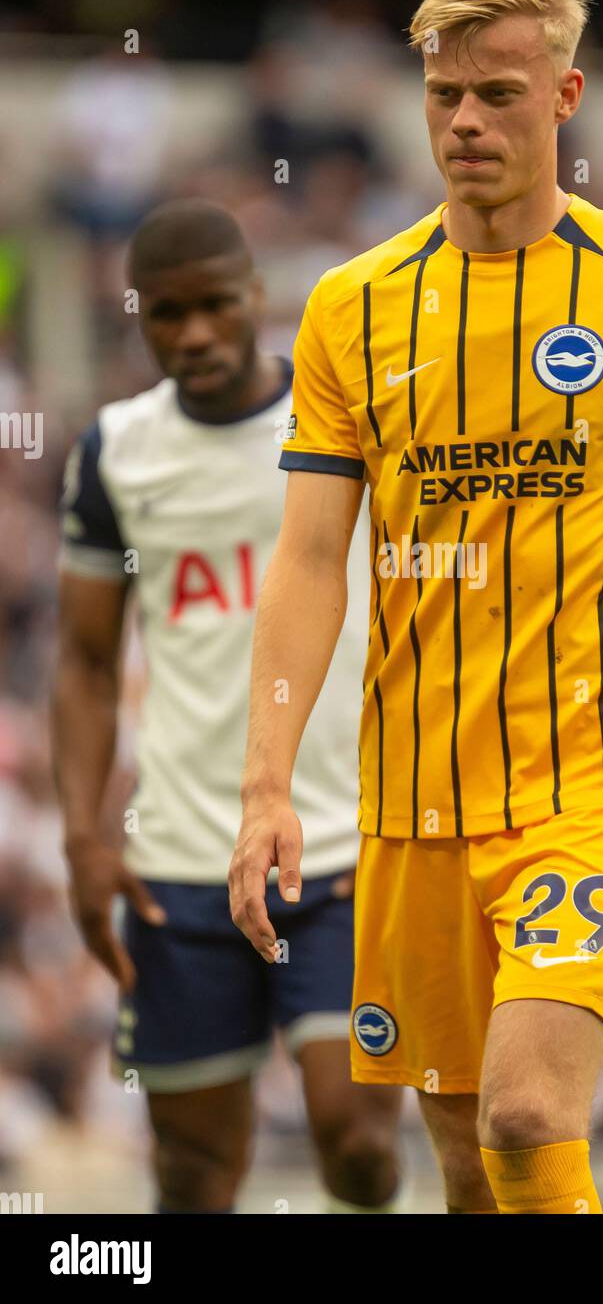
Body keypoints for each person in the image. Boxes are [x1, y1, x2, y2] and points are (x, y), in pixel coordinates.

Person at [230, 0, 603, 1215]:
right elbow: (312, 558)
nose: (465, 121)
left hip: (595, 782)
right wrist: (265, 781)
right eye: (442, 97)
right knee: (475, 1175)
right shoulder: (348, 309)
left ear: (565, 97)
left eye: (497, 93)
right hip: (415, 805)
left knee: (530, 1112)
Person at [52, 199, 402, 1214]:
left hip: (342, 847)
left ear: (256, 296)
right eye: (166, 314)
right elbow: (81, 660)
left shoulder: (340, 423)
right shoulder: (115, 453)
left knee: (358, 1144)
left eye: (214, 305)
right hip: (180, 861)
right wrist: (81, 836)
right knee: (195, 1175)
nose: (194, 333)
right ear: (140, 318)